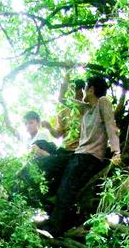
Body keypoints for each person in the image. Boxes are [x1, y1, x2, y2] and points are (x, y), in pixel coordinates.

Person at [44, 74, 121, 235]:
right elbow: (64, 101)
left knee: (66, 187)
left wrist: (116, 152)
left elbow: (111, 126)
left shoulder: (103, 102)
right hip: (77, 154)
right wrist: (65, 79)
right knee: (48, 164)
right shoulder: (87, 109)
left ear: (91, 90)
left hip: (89, 157)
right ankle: (51, 213)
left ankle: (54, 227)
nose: (83, 92)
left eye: (85, 88)